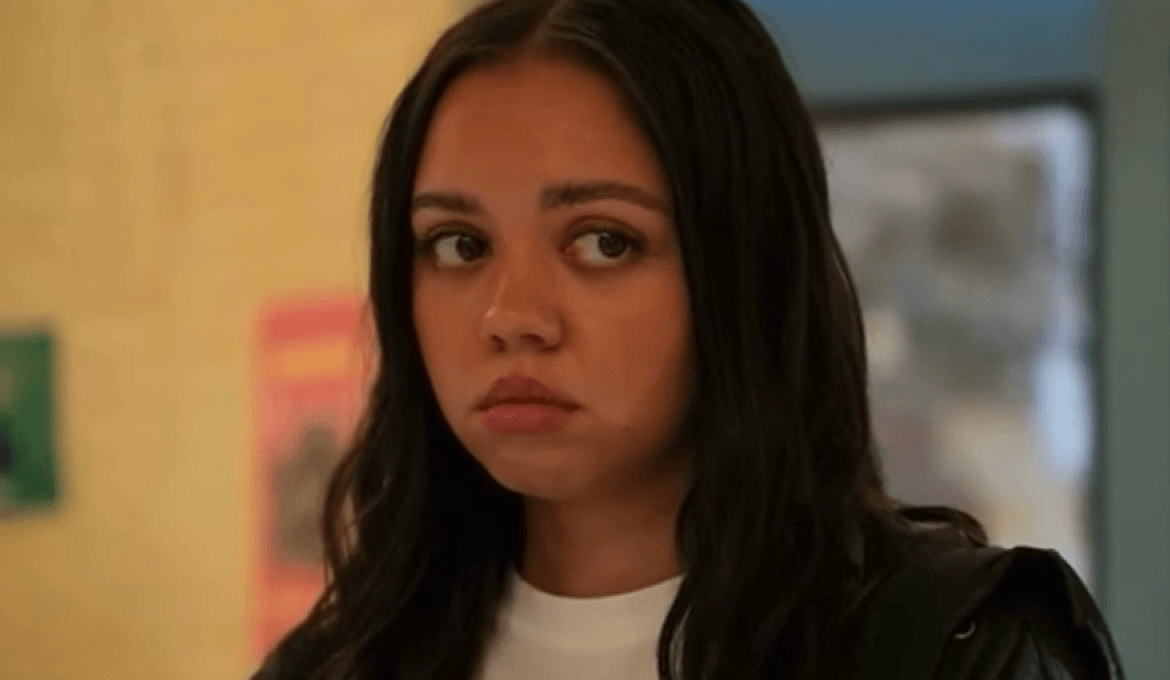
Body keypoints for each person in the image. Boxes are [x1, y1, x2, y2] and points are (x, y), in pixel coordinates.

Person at [252, 1, 1125, 679]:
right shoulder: (332, 665)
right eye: (458, 245)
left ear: (744, 270)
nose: (509, 315)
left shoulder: (952, 649)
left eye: (604, 241)